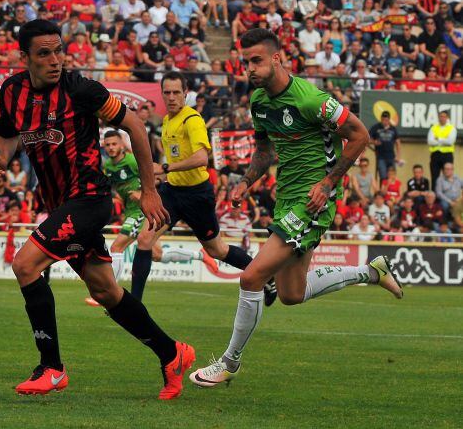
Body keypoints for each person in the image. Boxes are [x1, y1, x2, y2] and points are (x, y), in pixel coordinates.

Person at [0, 19, 194, 400]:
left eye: (58, 51)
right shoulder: (11, 91)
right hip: (60, 205)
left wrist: (149, 191)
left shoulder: (80, 89)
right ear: (24, 58)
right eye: (44, 54)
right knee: (106, 291)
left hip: (90, 200)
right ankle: (172, 353)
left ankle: (52, 368)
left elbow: (135, 126)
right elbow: (5, 131)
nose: (54, 60)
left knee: (25, 264)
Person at [191, 28, 403, 388]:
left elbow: (360, 135)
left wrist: (327, 183)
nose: (250, 69)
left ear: (277, 58)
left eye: (257, 60)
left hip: (313, 201)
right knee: (291, 294)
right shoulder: (259, 101)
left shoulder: (311, 99)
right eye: (246, 63)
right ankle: (371, 272)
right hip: (287, 198)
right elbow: (263, 151)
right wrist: (246, 181)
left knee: (251, 277)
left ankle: (230, 362)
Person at [125, 72, 275, 304]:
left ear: (186, 93)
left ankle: (267, 276)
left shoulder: (192, 120)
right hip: (172, 193)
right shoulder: (166, 121)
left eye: (177, 92)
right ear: (162, 94)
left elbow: (201, 158)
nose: (172, 97)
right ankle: (133, 304)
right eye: (167, 92)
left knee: (217, 250)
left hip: (197, 195)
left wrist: (165, 167)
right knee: (145, 240)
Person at [84, 130, 217, 306]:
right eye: (107, 145)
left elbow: (159, 175)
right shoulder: (108, 165)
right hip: (130, 211)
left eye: (114, 144)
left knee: (117, 247)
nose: (111, 147)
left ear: (122, 144)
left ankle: (108, 294)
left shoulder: (131, 161)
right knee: (156, 254)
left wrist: (145, 193)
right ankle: (200, 255)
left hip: (142, 210)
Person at [427, 109, 457, 191]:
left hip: (447, 155)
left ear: (447, 118)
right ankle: (434, 197)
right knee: (434, 177)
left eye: (444, 116)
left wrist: (438, 139)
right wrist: (444, 140)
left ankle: (447, 196)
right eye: (440, 116)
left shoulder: (451, 128)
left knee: (447, 176)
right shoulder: (434, 128)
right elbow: (430, 141)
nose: (442, 118)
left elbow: (450, 141)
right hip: (435, 155)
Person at [368, 111, 401, 181]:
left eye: (386, 120)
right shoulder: (376, 127)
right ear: (381, 119)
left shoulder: (393, 129)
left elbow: (398, 142)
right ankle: (383, 191)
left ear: (389, 119)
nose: (384, 122)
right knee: (383, 176)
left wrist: (398, 156)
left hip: (391, 156)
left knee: (392, 176)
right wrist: (374, 142)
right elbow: (367, 139)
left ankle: (391, 191)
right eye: (383, 120)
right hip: (380, 156)